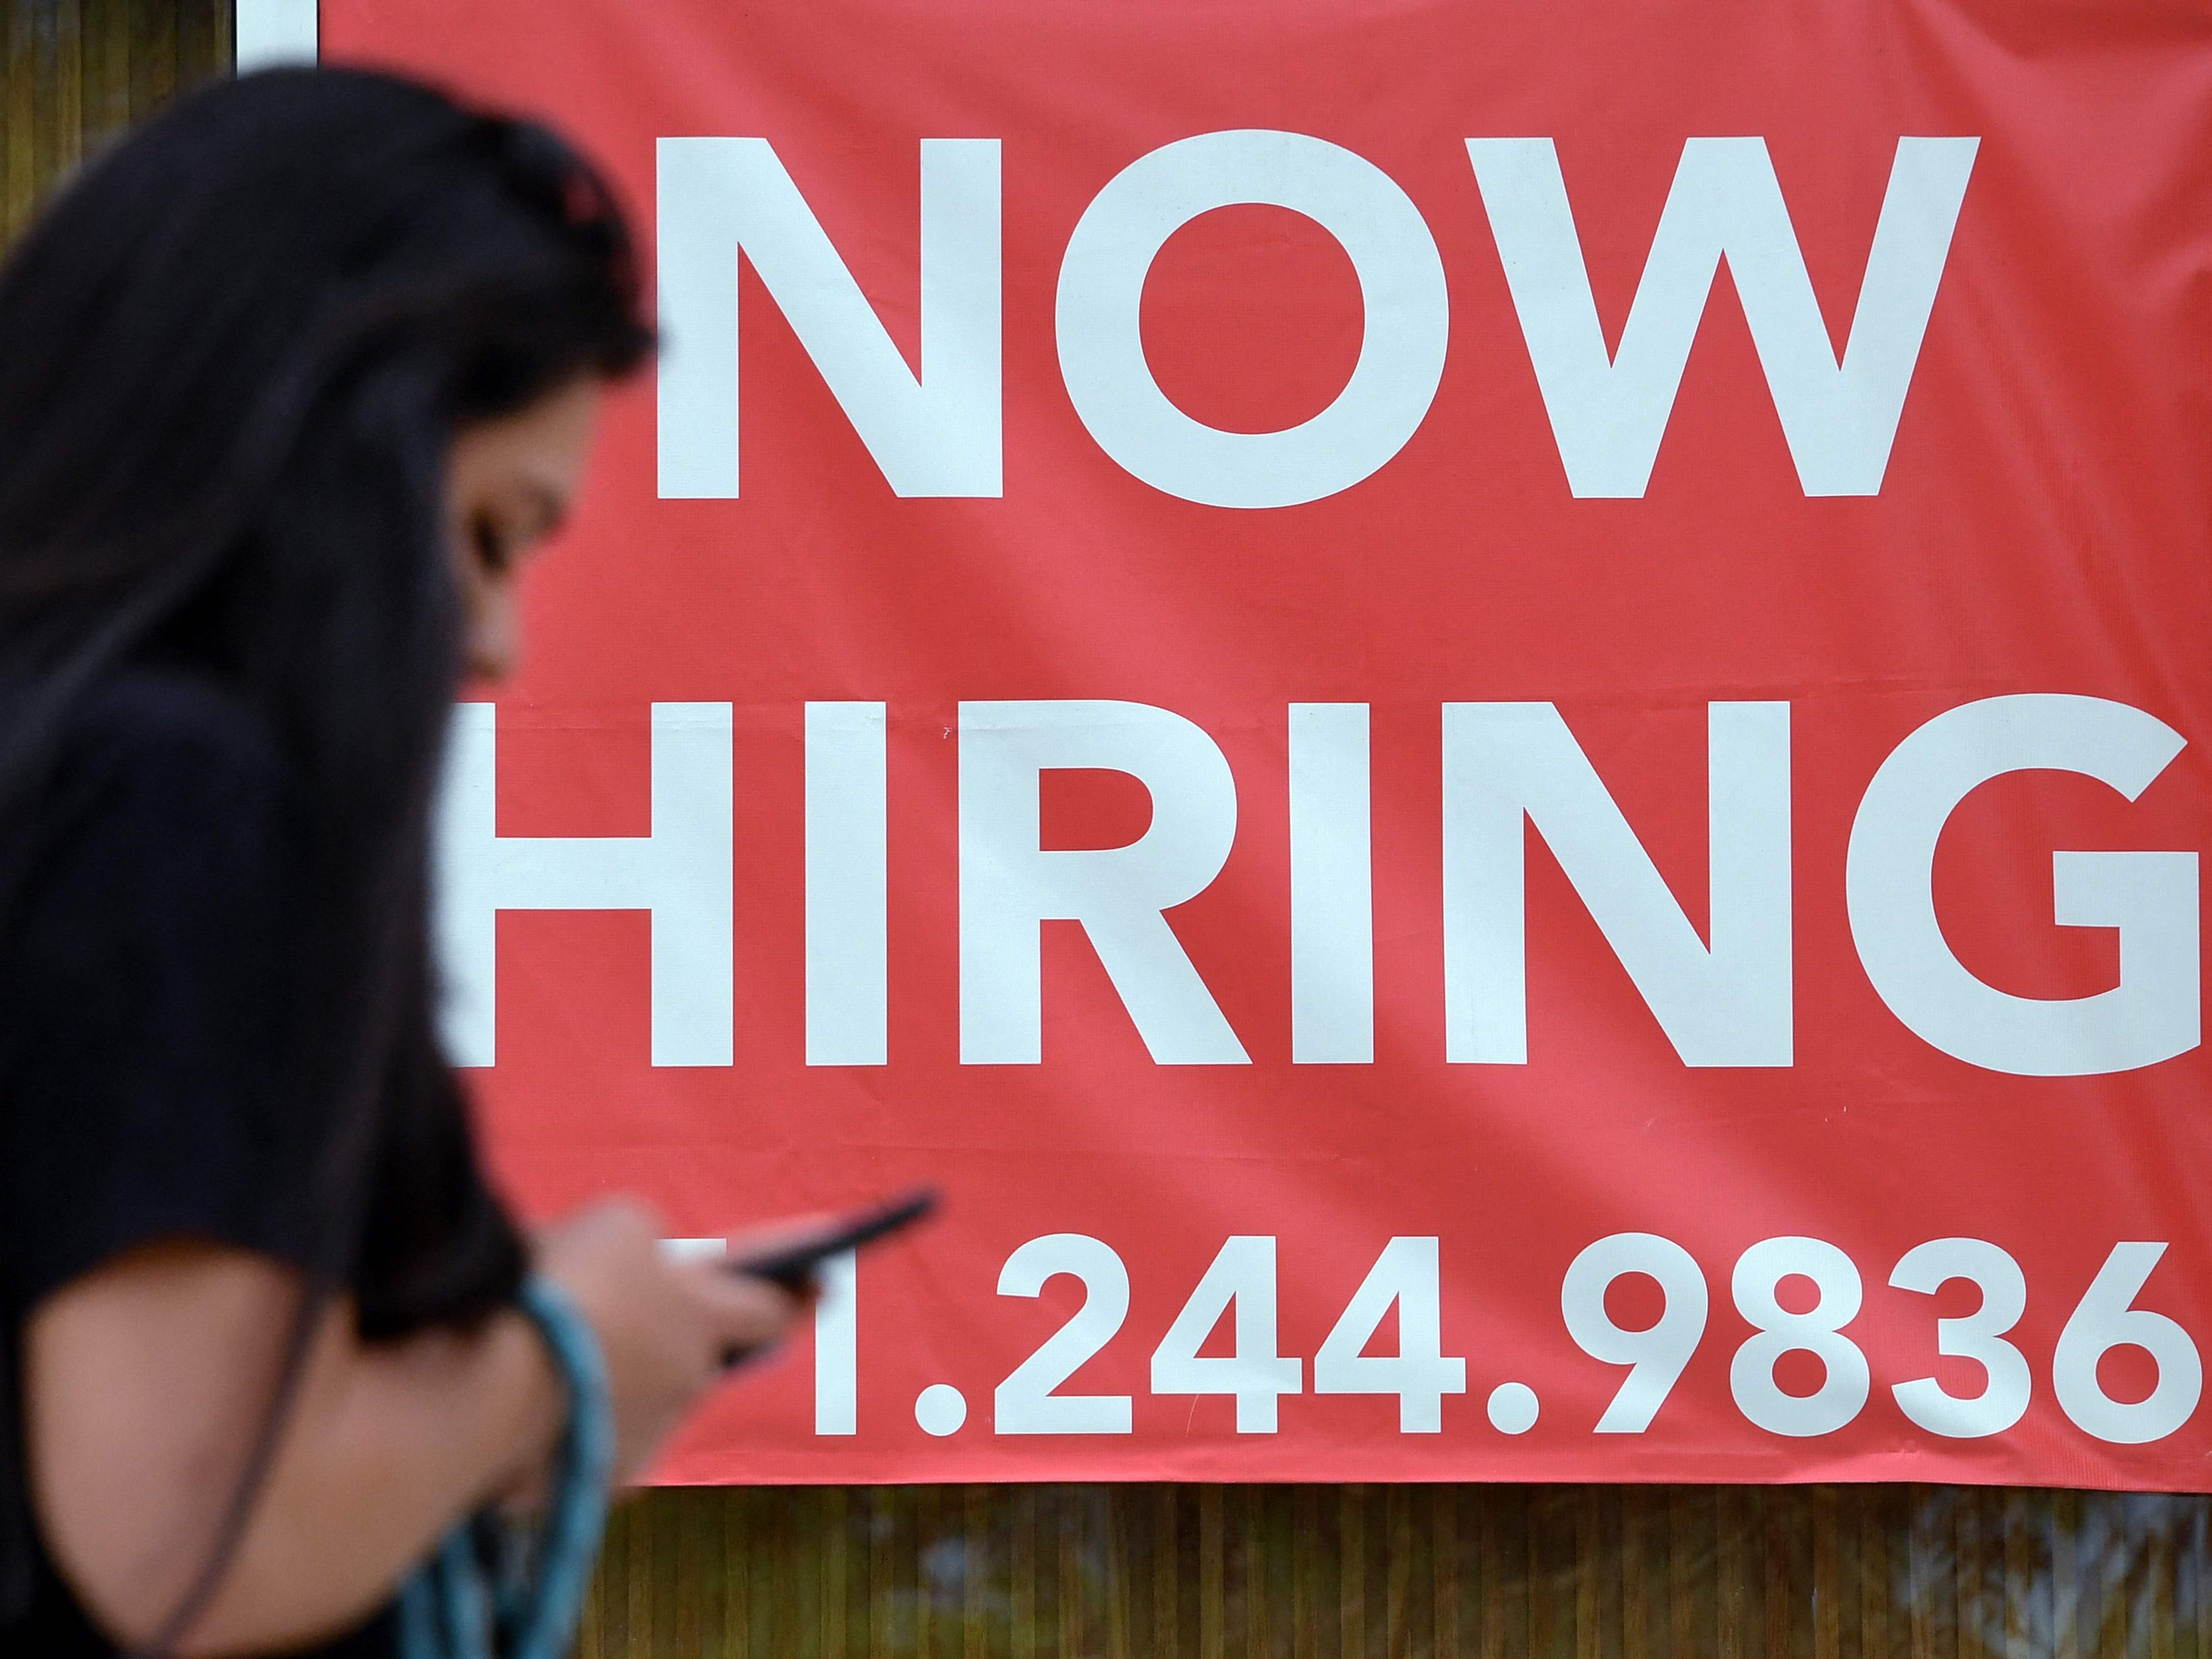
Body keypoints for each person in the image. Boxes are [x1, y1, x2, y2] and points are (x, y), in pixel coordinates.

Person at [0, 67, 806, 1657]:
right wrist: (562, 1352)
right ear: (330, 443)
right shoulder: (178, 798)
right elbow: (187, 1536)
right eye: (490, 533)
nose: (498, 646)